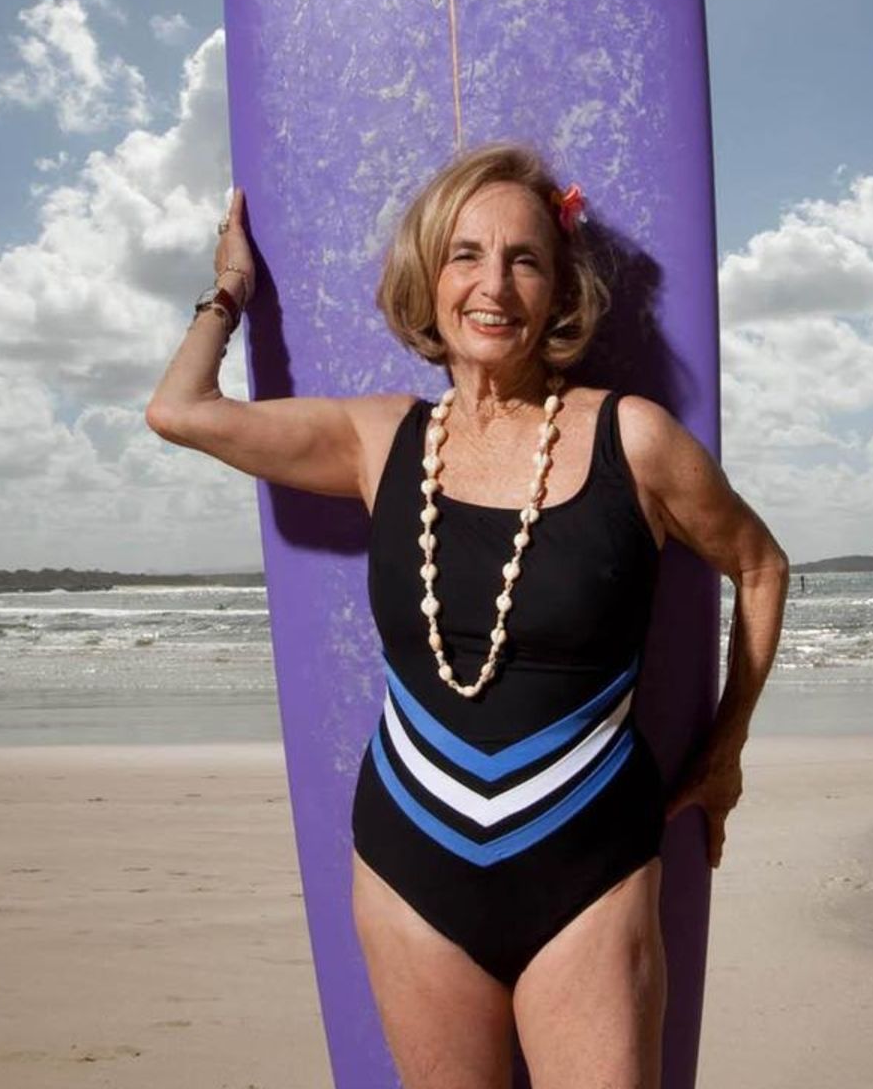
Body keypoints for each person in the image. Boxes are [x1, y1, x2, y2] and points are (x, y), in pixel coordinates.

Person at [146, 144, 788, 1087]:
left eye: (525, 258)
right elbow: (179, 410)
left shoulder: (633, 438)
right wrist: (230, 291)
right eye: (465, 255)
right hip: (414, 866)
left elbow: (761, 565)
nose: (495, 284)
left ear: (559, 286)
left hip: (590, 868)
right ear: (428, 277)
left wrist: (728, 747)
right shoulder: (378, 440)